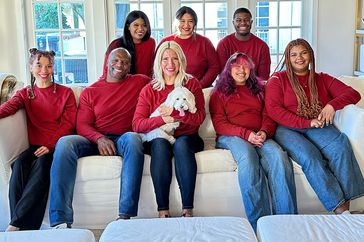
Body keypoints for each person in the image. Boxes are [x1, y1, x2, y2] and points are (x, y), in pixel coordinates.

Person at [49, 48, 151, 228]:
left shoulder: (140, 82)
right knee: (65, 143)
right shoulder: (91, 91)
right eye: (116, 60)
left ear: (129, 67)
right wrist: (99, 139)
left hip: (123, 138)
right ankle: (61, 221)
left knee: (134, 139)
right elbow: (83, 126)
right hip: (94, 139)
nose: (120, 65)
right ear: (107, 62)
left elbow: (165, 84)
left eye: (125, 62)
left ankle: (125, 216)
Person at [265, 38, 364, 215]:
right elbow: (274, 111)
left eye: (303, 52)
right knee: (310, 156)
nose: (299, 58)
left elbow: (353, 94)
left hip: (317, 124)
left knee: (340, 146)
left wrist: (331, 105)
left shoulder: (322, 79)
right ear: (287, 58)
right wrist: (306, 122)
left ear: (310, 55)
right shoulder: (277, 80)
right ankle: (340, 208)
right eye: (293, 54)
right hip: (287, 128)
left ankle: (351, 210)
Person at [209, 52, 296, 231]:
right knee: (248, 157)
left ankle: (287, 222)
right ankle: (259, 223)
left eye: (245, 66)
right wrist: (246, 134)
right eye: (236, 66)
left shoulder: (260, 89)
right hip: (231, 136)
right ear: (228, 69)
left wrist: (264, 132)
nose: (241, 70)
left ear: (251, 69)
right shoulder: (218, 92)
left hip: (259, 135)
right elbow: (220, 124)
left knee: (278, 156)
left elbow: (268, 115)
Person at [0, 48, 77, 231]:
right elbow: (8, 108)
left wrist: (50, 146)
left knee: (42, 166)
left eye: (49, 66)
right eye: (39, 65)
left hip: (56, 146)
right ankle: (20, 224)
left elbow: (68, 125)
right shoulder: (26, 93)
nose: (44, 70)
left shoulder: (65, 93)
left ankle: (15, 225)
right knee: (18, 166)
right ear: (31, 66)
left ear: (54, 67)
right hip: (34, 146)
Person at [133, 41, 205, 218]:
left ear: (181, 61)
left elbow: (198, 119)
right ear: (159, 62)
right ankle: (163, 210)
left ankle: (187, 209)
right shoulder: (150, 89)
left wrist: (174, 114)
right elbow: (137, 124)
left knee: (181, 144)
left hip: (188, 136)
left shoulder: (192, 84)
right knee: (159, 144)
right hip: (160, 138)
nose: (170, 64)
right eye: (165, 59)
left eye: (175, 59)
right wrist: (163, 119)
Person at [158, 6, 220, 88]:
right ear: (176, 22)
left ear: (195, 23)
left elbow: (214, 67)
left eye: (190, 21)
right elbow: (156, 66)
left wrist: (198, 86)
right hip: (170, 90)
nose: (186, 25)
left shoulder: (205, 42)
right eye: (182, 21)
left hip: (200, 89)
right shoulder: (166, 42)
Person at [216, 7, 271, 80]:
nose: (243, 23)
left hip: (254, 88)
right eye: (238, 20)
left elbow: (263, 77)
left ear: (251, 22)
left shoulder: (262, 46)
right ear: (233, 23)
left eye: (246, 20)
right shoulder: (223, 44)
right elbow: (222, 75)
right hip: (229, 87)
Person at [101, 10, 155, 78]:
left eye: (144, 25)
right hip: (123, 85)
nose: (140, 29)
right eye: (136, 25)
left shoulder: (151, 43)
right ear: (128, 26)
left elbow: (151, 69)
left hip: (145, 84)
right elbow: (106, 73)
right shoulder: (116, 44)